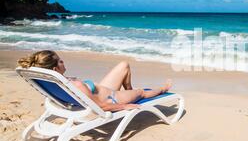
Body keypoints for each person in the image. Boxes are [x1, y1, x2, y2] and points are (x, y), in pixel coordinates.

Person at [17, 50, 172, 112]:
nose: (63, 61)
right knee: (141, 92)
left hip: (102, 89)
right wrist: (124, 106)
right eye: (60, 61)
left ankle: (129, 90)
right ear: (55, 69)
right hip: (112, 98)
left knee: (124, 65)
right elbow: (100, 106)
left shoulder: (57, 81)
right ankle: (163, 89)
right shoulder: (75, 85)